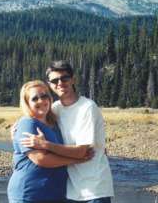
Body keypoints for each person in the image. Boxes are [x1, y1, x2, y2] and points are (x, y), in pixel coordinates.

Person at [20, 60, 114, 203]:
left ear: (73, 79)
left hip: (94, 188)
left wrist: (46, 145)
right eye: (55, 80)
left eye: (65, 78)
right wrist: (18, 127)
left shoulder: (87, 107)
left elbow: (83, 151)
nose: (60, 83)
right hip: (70, 190)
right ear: (50, 85)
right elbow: (35, 113)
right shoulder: (55, 109)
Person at [7, 80, 91, 203]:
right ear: (27, 103)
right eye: (35, 99)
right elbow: (41, 159)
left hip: (53, 193)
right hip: (29, 193)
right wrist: (77, 160)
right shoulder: (27, 123)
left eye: (44, 96)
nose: (41, 101)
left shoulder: (54, 123)